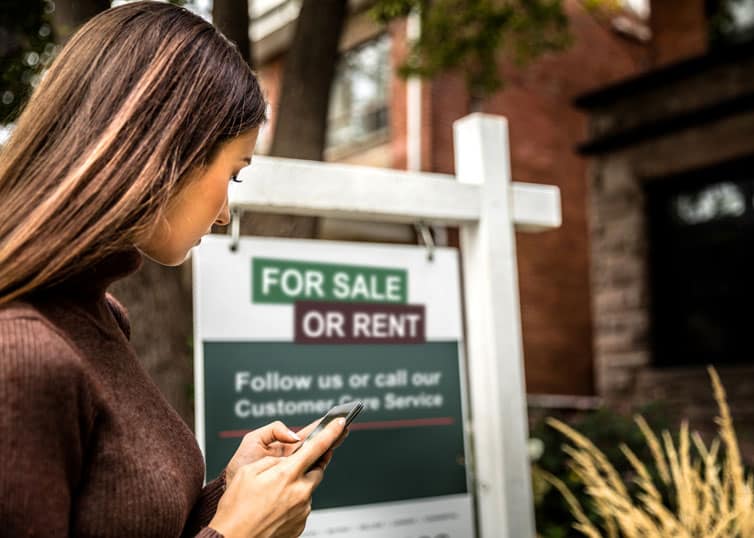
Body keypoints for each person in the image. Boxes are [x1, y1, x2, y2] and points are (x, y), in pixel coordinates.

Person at [0, 2, 346, 537]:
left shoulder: (100, 316)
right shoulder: (20, 354)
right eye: (233, 175)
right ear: (167, 152)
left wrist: (230, 495)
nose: (227, 211)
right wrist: (239, 533)